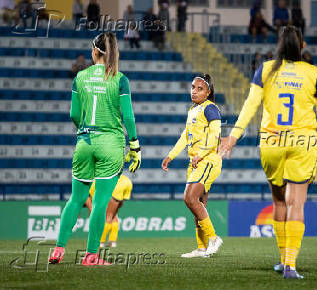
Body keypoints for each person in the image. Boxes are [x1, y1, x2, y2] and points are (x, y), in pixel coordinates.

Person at [219, 26, 317, 279]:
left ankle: (283, 260)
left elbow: (250, 105)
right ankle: (291, 266)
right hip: (302, 141)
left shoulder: (266, 69)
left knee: (279, 201)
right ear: (302, 45)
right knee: (297, 203)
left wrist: (233, 137)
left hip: (271, 142)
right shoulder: (314, 73)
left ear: (278, 46)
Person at [48, 32, 141, 266]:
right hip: (110, 144)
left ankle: (58, 249)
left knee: (76, 199)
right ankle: (91, 256)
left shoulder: (80, 76)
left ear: (94, 52)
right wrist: (135, 145)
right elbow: (128, 116)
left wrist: (85, 131)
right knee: (100, 203)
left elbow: (74, 114)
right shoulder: (120, 79)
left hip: (84, 143)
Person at [161, 74, 223, 258]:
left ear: (208, 92)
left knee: (189, 198)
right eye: (193, 87)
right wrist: (171, 155)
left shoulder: (210, 108)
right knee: (199, 205)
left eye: (200, 88)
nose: (194, 91)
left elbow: (215, 135)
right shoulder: (193, 110)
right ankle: (202, 247)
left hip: (208, 160)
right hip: (195, 162)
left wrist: (201, 153)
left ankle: (213, 238)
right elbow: (184, 137)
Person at [84, 175, 133, 248]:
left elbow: (92, 194)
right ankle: (112, 241)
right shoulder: (127, 180)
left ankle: (101, 241)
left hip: (109, 191)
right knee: (114, 216)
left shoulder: (98, 178)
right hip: (122, 190)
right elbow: (124, 199)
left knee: (108, 217)